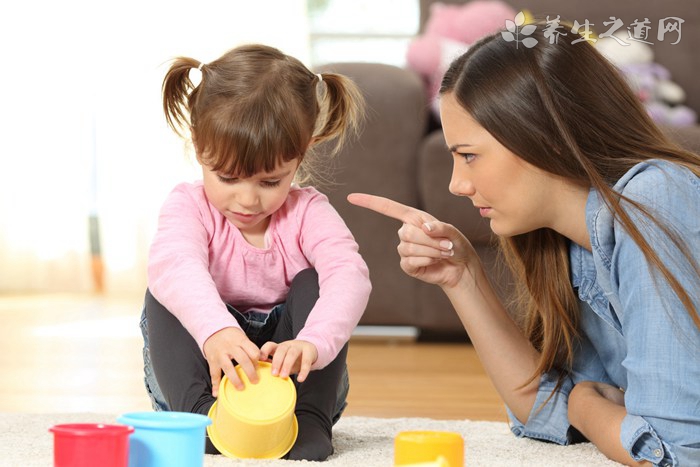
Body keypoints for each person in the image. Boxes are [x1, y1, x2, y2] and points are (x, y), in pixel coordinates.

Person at [349, 22, 700, 466]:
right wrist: (462, 277)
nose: (457, 184)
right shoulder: (571, 245)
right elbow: (545, 414)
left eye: (469, 155)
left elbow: (671, 451)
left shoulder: (655, 201)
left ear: (543, 136)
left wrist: (586, 406)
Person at [141, 43, 371, 461]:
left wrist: (315, 343)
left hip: (292, 395)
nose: (247, 200)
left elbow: (349, 275)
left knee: (316, 282)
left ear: (301, 156)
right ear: (198, 146)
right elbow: (176, 265)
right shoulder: (188, 206)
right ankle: (200, 420)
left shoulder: (308, 212)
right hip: (206, 381)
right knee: (166, 284)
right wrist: (216, 331)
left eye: (269, 182)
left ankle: (309, 421)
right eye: (228, 177)